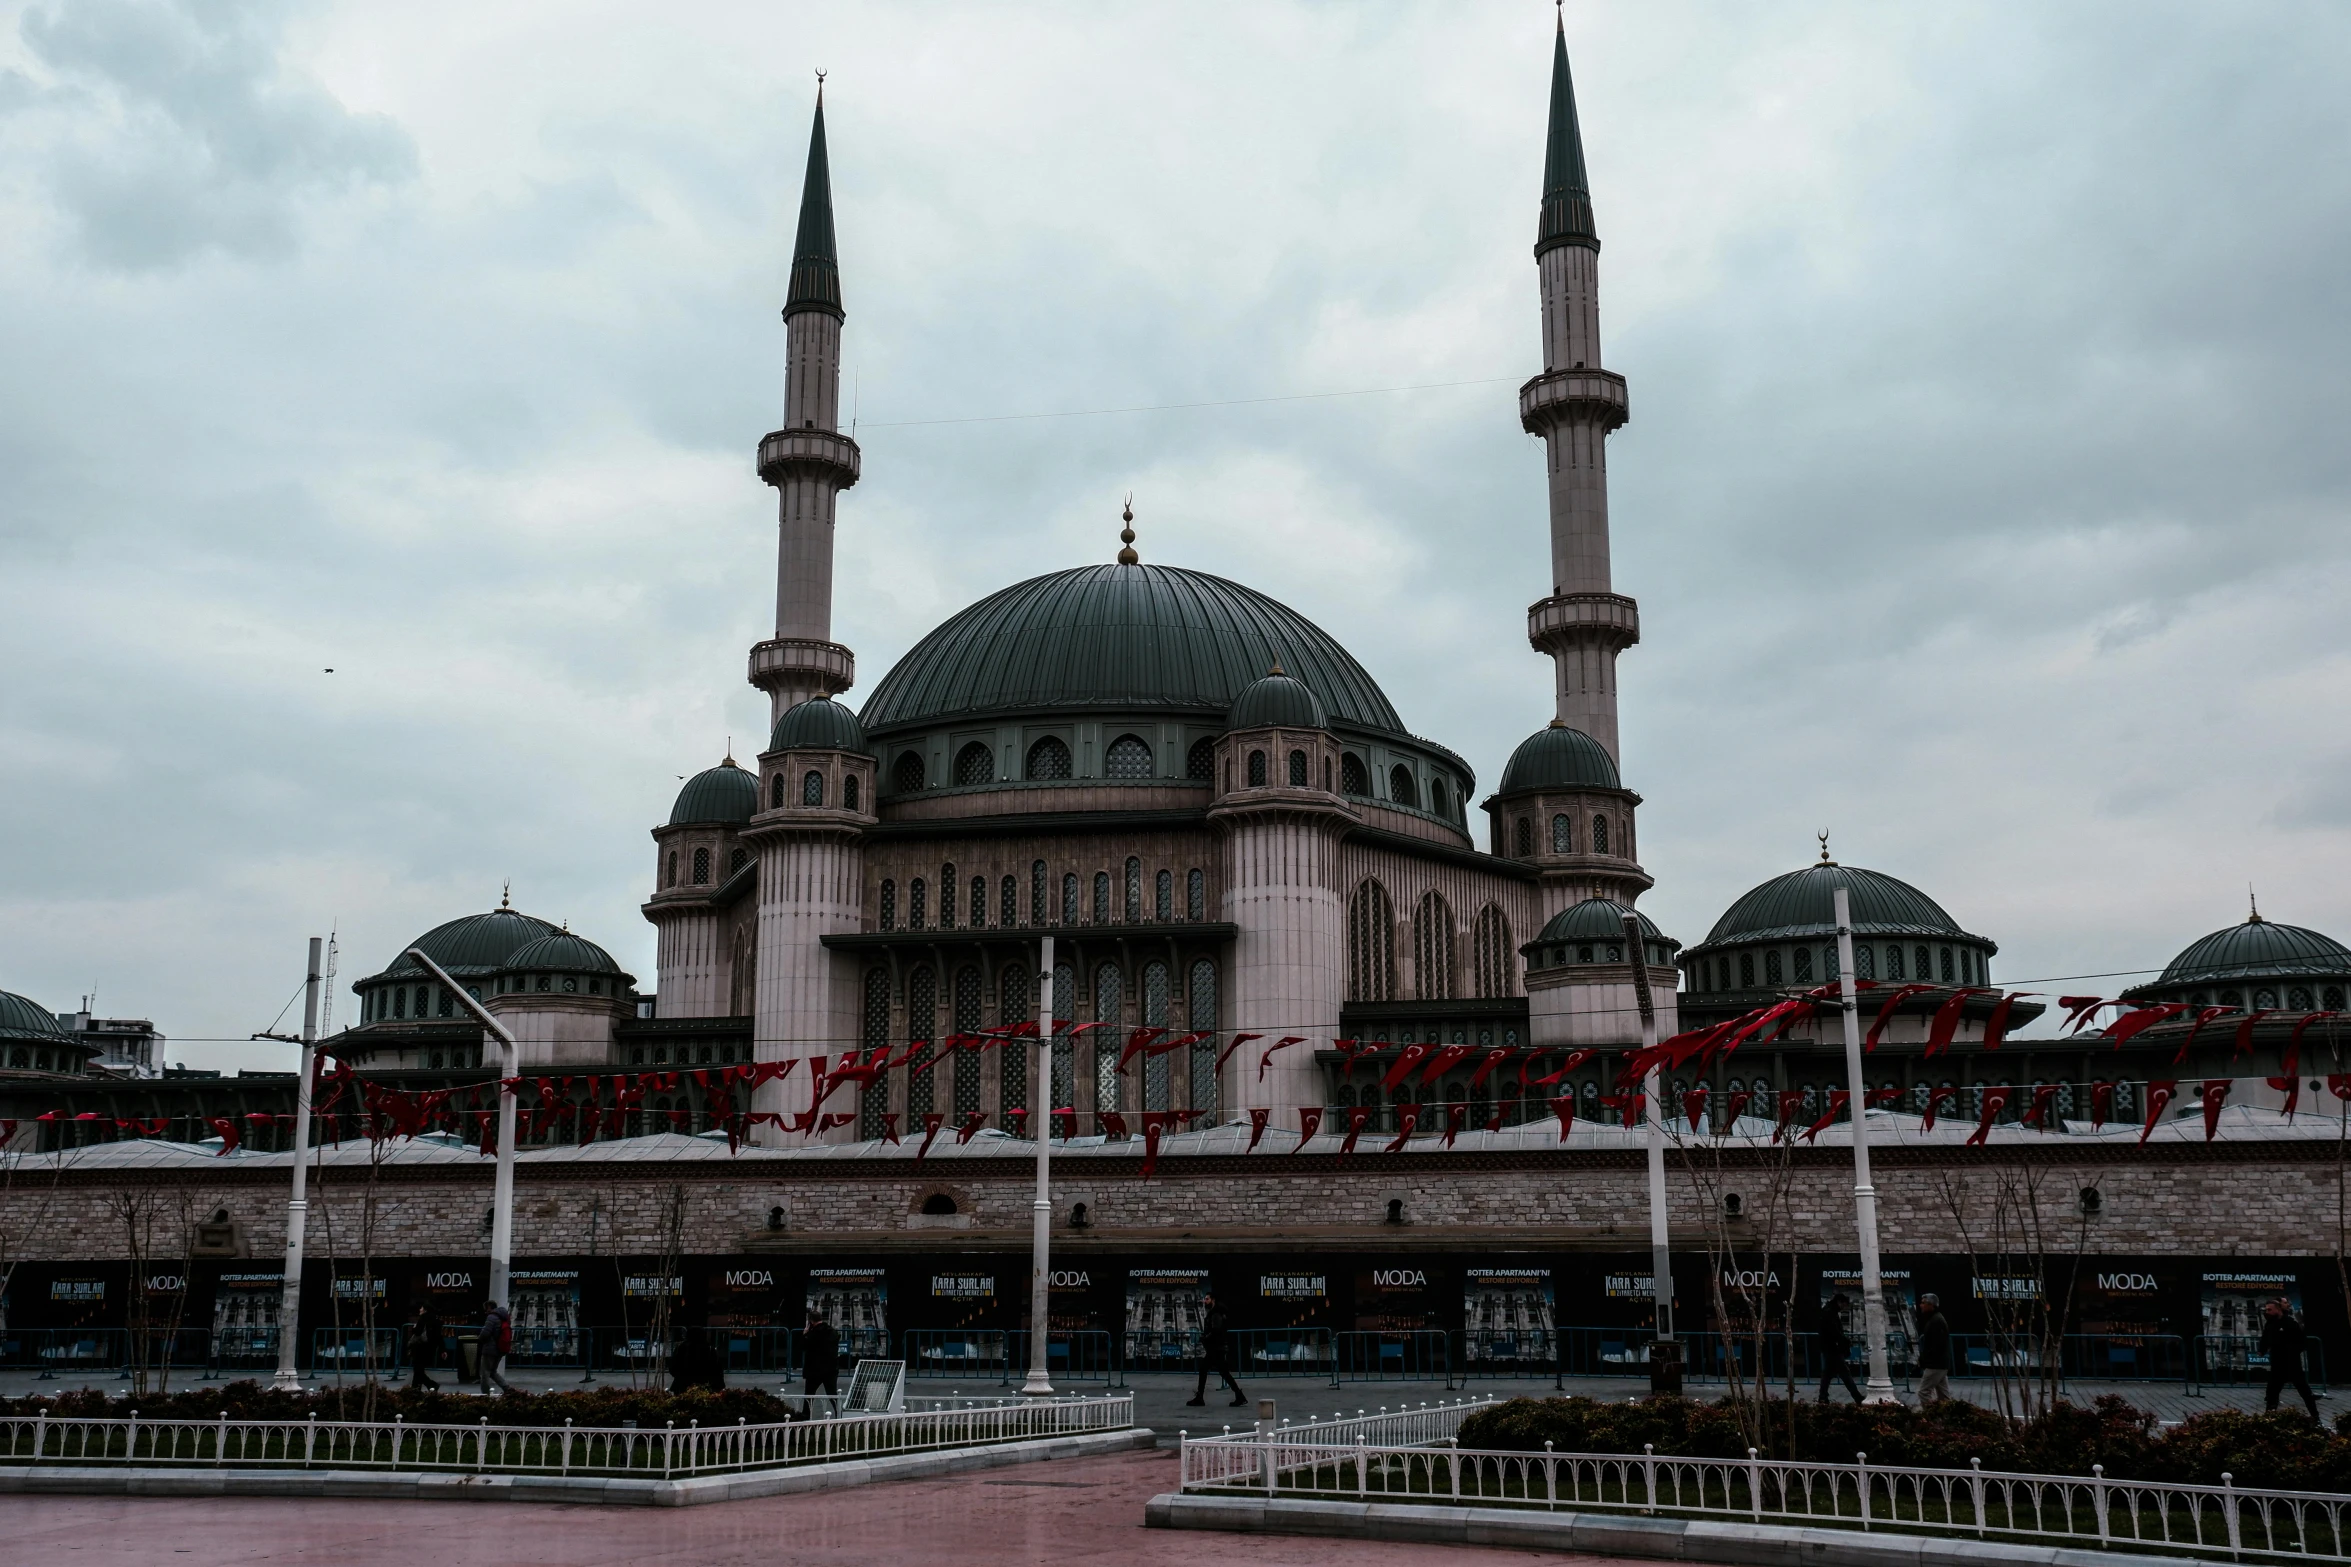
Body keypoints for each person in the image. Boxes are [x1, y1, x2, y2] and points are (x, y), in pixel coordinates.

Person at [2262, 1297, 2321, 1418]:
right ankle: (2268, 1420)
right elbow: (2265, 1338)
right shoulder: (2270, 1324)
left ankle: (2315, 1418)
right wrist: (2261, 1349)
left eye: (2269, 1310)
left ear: (2278, 1310)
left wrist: (2292, 1352)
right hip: (2277, 1365)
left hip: (2292, 1365)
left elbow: (2302, 1342)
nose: (2267, 1312)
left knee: (2305, 1393)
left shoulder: (2290, 1323)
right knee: (2273, 1394)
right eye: (2266, 1310)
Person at [1185, 1292, 1246, 1409]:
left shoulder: (1216, 1313)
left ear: (1213, 1300)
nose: (1204, 1301)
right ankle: (1239, 1395)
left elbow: (1216, 1330)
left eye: (1207, 1299)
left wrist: (1205, 1338)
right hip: (1217, 1347)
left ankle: (1200, 1398)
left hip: (1216, 1348)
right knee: (1222, 1372)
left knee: (1206, 1370)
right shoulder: (1216, 1312)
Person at [1817, 1294, 1861, 1404]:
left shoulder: (1829, 1311)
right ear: (1840, 1302)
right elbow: (1834, 1332)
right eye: (1844, 1304)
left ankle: (1823, 1397)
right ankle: (1857, 1397)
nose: (1844, 1307)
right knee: (1844, 1373)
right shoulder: (1830, 1313)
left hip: (1829, 1347)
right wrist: (1844, 1341)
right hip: (1833, 1348)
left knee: (1827, 1374)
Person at [669, 1319, 726, 1395]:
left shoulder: (681, 1347)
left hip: (682, 1385)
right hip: (705, 1385)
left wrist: (680, 1376)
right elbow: (717, 1369)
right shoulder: (709, 1349)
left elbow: (673, 1366)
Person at [801, 1308, 841, 1415]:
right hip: (830, 1368)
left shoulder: (812, 1334)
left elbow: (804, 1346)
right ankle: (840, 1414)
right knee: (832, 1394)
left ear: (811, 1321)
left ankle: (805, 1417)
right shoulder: (831, 1331)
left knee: (809, 1394)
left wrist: (805, 1334)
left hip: (814, 1369)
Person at [1915, 1293, 1950, 1404]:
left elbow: (1936, 1346)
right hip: (1940, 1364)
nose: (1921, 1305)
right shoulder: (1935, 1319)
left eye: (1923, 1303)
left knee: (1923, 1392)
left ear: (1932, 1305)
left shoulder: (1936, 1321)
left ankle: (1931, 1417)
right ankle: (1946, 1417)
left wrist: (1924, 1360)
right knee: (1943, 1396)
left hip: (1935, 1365)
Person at [480, 1299, 516, 1396]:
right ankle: (507, 1388)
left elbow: (485, 1333)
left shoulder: (491, 1317)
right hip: (500, 1348)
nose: (485, 1311)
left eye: (486, 1309)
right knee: (492, 1371)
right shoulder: (504, 1317)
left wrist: (480, 1339)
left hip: (490, 1349)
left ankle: (485, 1394)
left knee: (485, 1372)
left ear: (489, 1307)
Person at [404, 1304, 442, 1392]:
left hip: (420, 1347)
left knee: (418, 1369)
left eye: (421, 1308)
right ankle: (415, 1389)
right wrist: (442, 1349)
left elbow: (418, 1332)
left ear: (425, 1310)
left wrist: (413, 1328)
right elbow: (439, 1336)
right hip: (430, 1348)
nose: (420, 1309)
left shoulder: (423, 1318)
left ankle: (431, 1384)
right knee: (418, 1369)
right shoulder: (436, 1320)